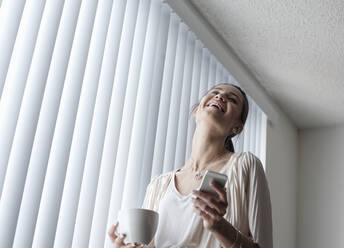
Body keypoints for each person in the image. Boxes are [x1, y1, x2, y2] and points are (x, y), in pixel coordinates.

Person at [108, 83, 273, 248]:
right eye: (215, 92)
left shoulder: (245, 166)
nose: (220, 97)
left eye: (232, 99)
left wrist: (220, 227)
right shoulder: (158, 185)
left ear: (237, 127)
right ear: (197, 111)